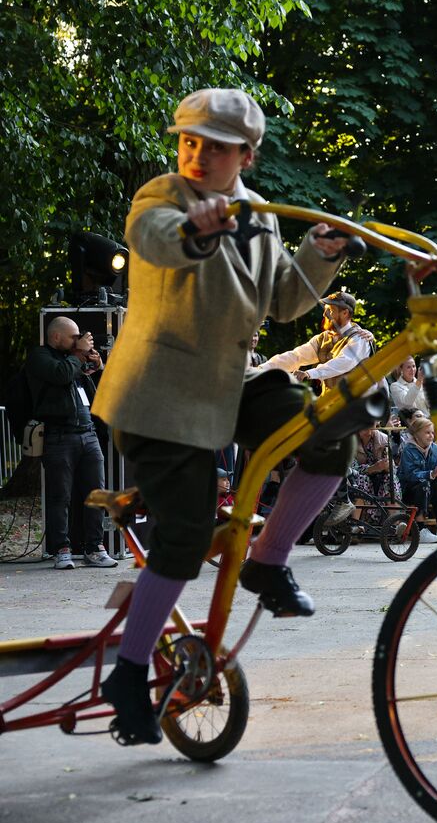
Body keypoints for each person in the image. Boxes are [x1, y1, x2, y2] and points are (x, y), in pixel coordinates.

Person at [90, 88, 355, 745]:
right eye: (190, 141)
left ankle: (267, 562)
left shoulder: (260, 213)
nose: (198, 154)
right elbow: (160, 243)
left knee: (328, 438)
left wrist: (320, 252)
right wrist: (196, 227)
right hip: (160, 399)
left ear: (248, 155)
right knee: (184, 535)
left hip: (230, 383)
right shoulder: (162, 199)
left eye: (215, 145)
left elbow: (287, 301)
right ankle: (127, 673)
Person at [24, 316, 117, 570]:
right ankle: (62, 549)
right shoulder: (41, 357)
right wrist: (78, 355)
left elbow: (99, 389)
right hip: (58, 436)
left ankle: (95, 548)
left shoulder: (73, 360)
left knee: (96, 493)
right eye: (73, 337)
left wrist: (97, 366)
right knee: (60, 497)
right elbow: (61, 374)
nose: (78, 341)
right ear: (56, 337)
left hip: (88, 433)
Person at [259, 290, 375, 393]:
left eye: (330, 310)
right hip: (334, 403)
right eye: (325, 310)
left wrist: (309, 374)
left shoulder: (360, 338)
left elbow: (343, 362)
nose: (325, 314)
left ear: (345, 313)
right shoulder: (322, 339)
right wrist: (260, 370)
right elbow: (295, 357)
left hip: (361, 405)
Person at [399, 417, 437, 542]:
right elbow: (409, 475)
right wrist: (431, 474)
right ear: (416, 434)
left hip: (431, 488)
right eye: (427, 432)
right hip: (410, 490)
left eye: (432, 432)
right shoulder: (408, 450)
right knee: (423, 485)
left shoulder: (435, 449)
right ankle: (421, 529)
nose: (431, 436)